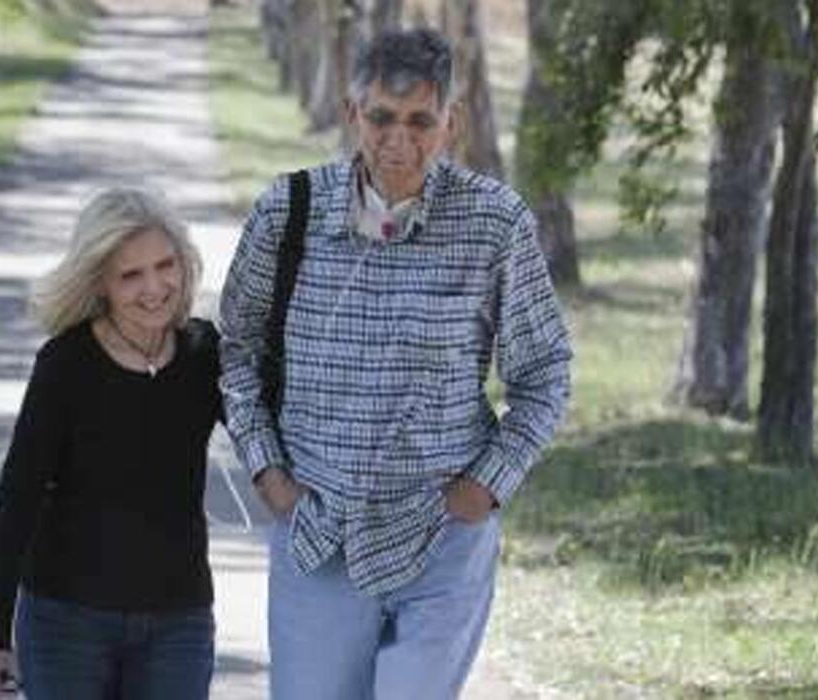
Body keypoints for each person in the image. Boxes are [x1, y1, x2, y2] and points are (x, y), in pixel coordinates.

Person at [219, 28, 572, 700]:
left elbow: (545, 373)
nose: (398, 141)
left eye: (420, 121)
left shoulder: (496, 224)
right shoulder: (286, 212)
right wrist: (268, 472)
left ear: (451, 123)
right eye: (381, 117)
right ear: (353, 113)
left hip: (442, 539)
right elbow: (236, 353)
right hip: (319, 537)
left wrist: (485, 485)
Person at [0, 187, 221, 700]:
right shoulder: (66, 364)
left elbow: (273, 433)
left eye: (164, 265)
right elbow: (17, 499)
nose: (154, 287)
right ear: (100, 282)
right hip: (68, 622)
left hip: (179, 622)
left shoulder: (204, 352)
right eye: (131, 275)